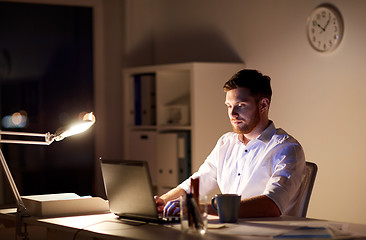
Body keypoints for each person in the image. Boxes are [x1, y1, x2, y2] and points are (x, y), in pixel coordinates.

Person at [154, 69, 305, 218]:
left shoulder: (287, 149)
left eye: (241, 105)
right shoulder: (226, 143)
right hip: (229, 230)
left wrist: (199, 208)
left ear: (263, 105)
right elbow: (197, 183)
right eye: (229, 106)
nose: (232, 114)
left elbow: (272, 205)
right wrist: (164, 200)